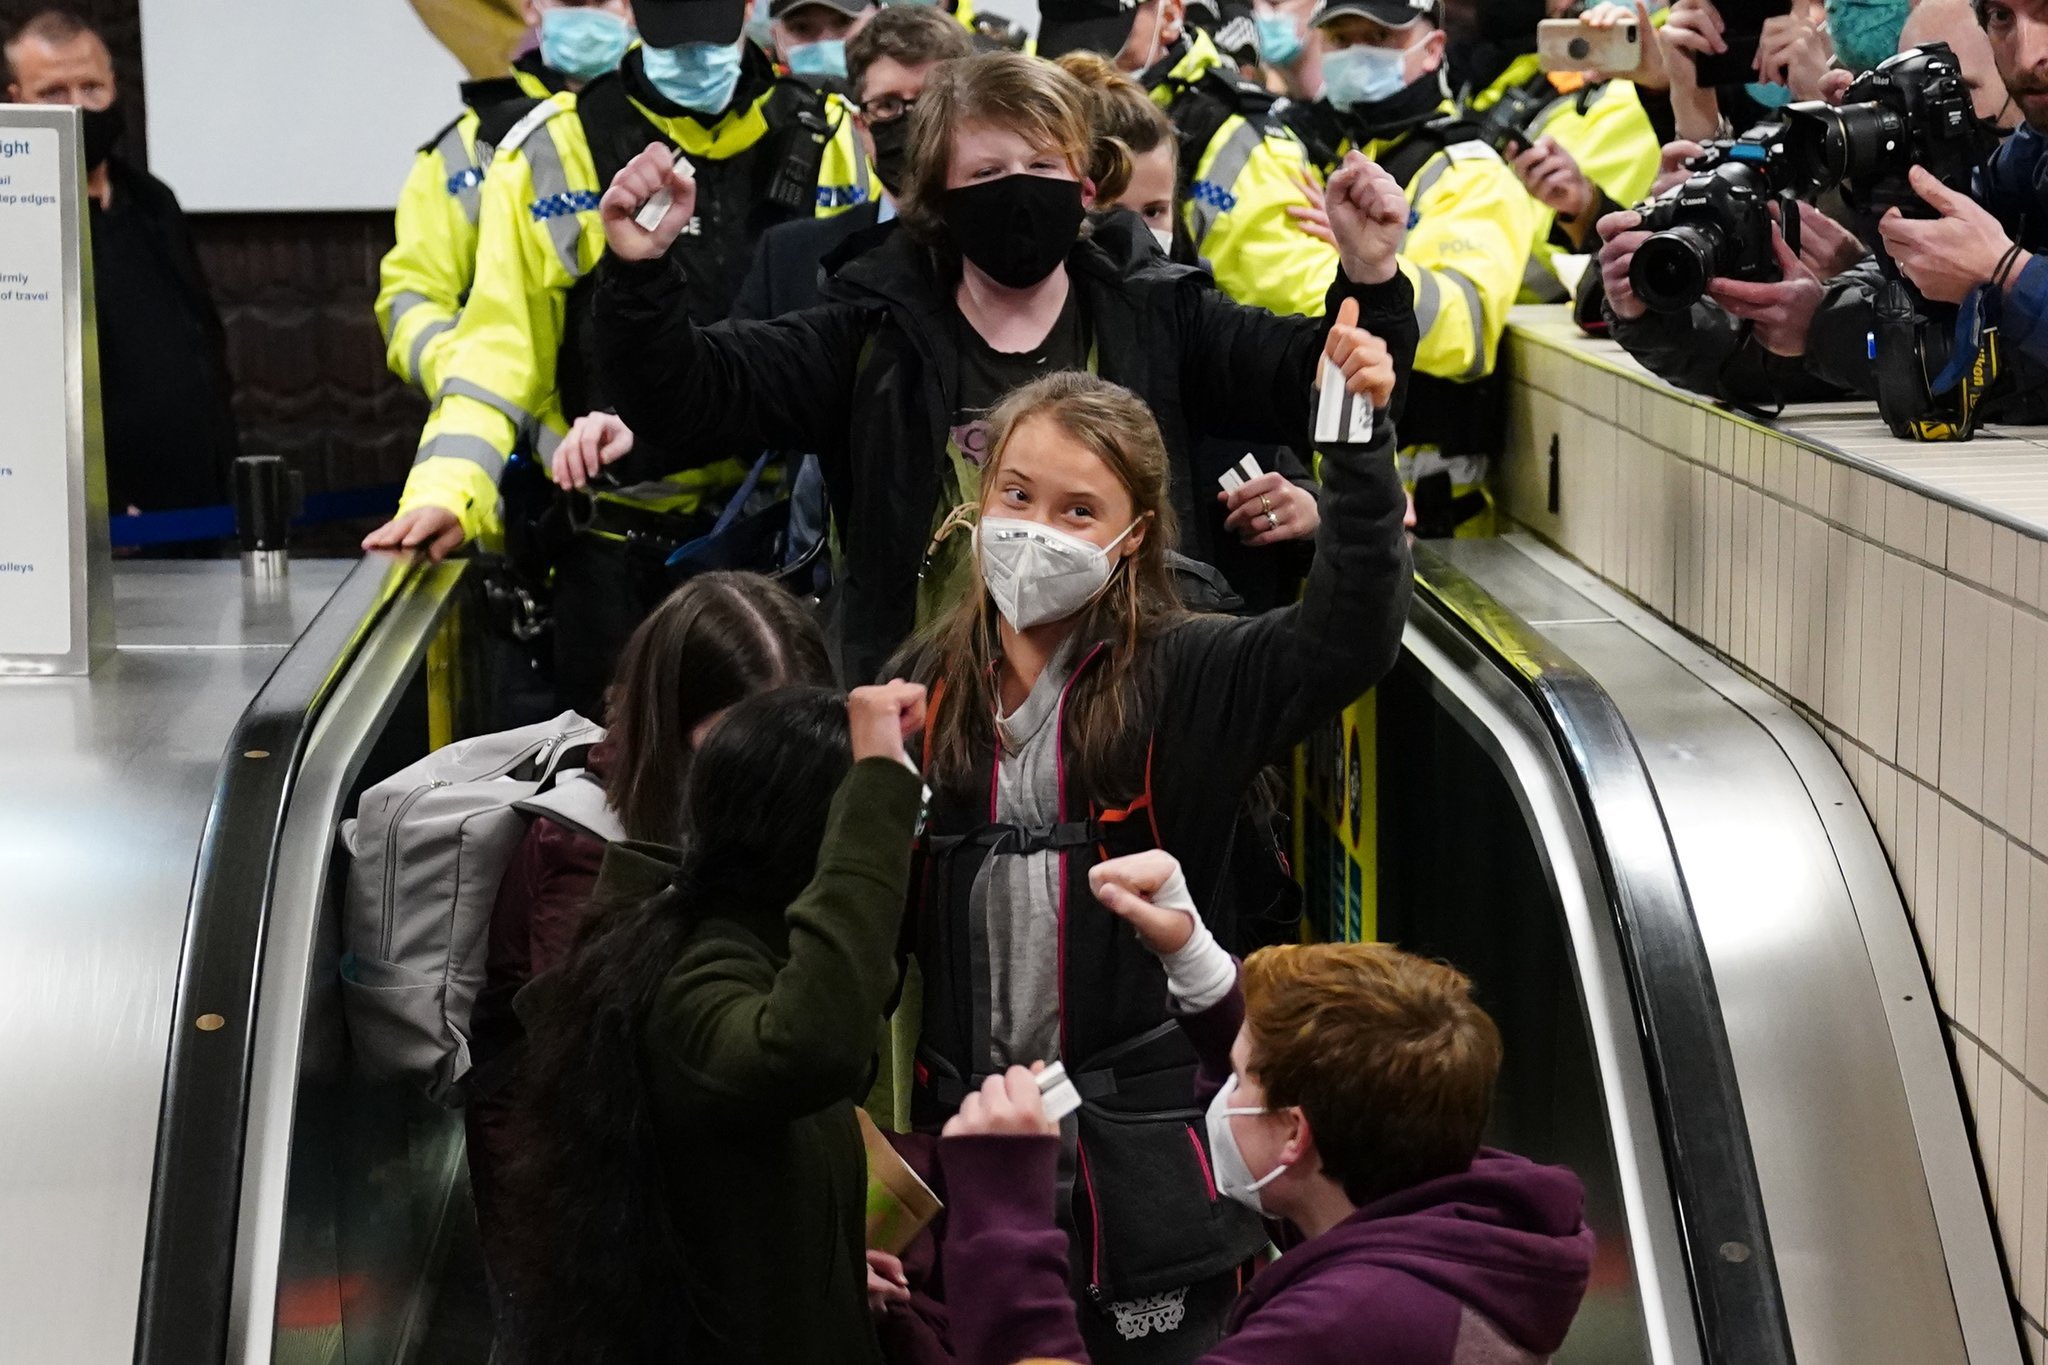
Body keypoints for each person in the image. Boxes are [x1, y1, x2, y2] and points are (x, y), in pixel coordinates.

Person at [590, 51, 1414, 684]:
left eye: (1042, 167)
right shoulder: (866, 339)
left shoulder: (1160, 316)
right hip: (920, 744)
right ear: (938, 198)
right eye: (987, 173)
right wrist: (638, 272)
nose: (1019, 192)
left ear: (1087, 186)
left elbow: (1333, 386)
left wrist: (1370, 281)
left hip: (1131, 728)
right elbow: (684, 396)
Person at [893, 357, 1410, 1359]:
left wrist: (1354, 436)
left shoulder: (1189, 675)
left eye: (1078, 511)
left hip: (1148, 1194)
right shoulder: (925, 691)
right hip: (970, 1162)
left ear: (1132, 541)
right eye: (1017, 495)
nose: (1037, 530)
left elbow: (1347, 638)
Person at [364, 0, 873, 716]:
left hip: (784, 543)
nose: (694, 54)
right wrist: (445, 492)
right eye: (674, 33)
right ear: (633, 12)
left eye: (711, 27)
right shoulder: (554, 146)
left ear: (751, 10)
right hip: (615, 546)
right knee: (613, 794)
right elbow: (497, 351)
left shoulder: (833, 133)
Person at [937, 853, 1597, 1365]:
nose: (1223, 1091)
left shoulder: (1347, 1322)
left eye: (1242, 1078)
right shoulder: (1448, 1224)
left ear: (1295, 1132)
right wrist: (1192, 958)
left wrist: (1005, 1210)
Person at [512, 680, 931, 1365]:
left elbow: (736, 1210)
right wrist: (880, 780)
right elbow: (813, 1045)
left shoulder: (751, 956)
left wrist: (823, 1277)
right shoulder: (692, 989)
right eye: (882, 825)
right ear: (825, 846)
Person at [462, 571, 831, 1313]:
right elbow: (615, 1097)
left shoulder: (766, 813)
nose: (764, 772)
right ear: (673, 725)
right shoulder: (585, 849)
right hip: (597, 1240)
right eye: (734, 743)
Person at [1594, 0, 2048, 420]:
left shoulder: (2004, 188)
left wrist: (2005, 274)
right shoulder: (2022, 165)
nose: (2028, 57)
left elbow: (1997, 371)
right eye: (2002, 18)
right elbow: (1767, 358)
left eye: (1947, 97)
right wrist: (1651, 299)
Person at [1283, 0, 1535, 535]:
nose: (1355, 55)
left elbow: (1464, 333)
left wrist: (1363, 261)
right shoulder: (1332, 153)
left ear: (1433, 50)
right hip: (1332, 494)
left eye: (1376, 38)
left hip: (1432, 518)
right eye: (1341, 41)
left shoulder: (1469, 170)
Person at [4, 9, 239, 525]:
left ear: (114, 86)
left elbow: (201, 341)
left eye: (91, 87)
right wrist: (95, 502)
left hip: (200, 508)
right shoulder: (12, 222)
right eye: (54, 93)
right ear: (15, 99)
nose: (78, 107)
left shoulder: (153, 202)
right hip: (92, 529)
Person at [377, 0, 633, 400]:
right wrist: (471, 374)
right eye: (572, 2)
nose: (588, 17)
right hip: (522, 438)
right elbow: (414, 295)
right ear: (531, 6)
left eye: (600, 1)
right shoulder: (467, 147)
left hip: (671, 440)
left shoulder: (676, 122)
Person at [1037, 0, 1343, 318]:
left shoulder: (1239, 141)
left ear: (1169, 17)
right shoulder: (1041, 106)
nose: (1072, 64)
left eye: (1108, 36)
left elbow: (1311, 313)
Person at [770, 0, 877, 83]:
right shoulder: (758, 105)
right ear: (777, 39)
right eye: (802, 28)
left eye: (843, 21)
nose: (824, 43)